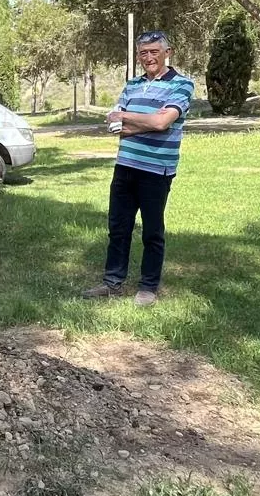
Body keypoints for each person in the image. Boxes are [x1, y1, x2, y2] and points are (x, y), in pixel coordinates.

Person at [81, 31, 196, 307]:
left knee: (152, 231)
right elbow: (114, 126)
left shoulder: (182, 85)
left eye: (154, 51)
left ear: (168, 52)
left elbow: (162, 123)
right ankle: (112, 281)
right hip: (126, 165)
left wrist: (128, 118)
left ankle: (148, 287)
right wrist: (141, 121)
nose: (149, 57)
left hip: (157, 169)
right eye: (143, 53)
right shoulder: (132, 84)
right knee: (118, 226)